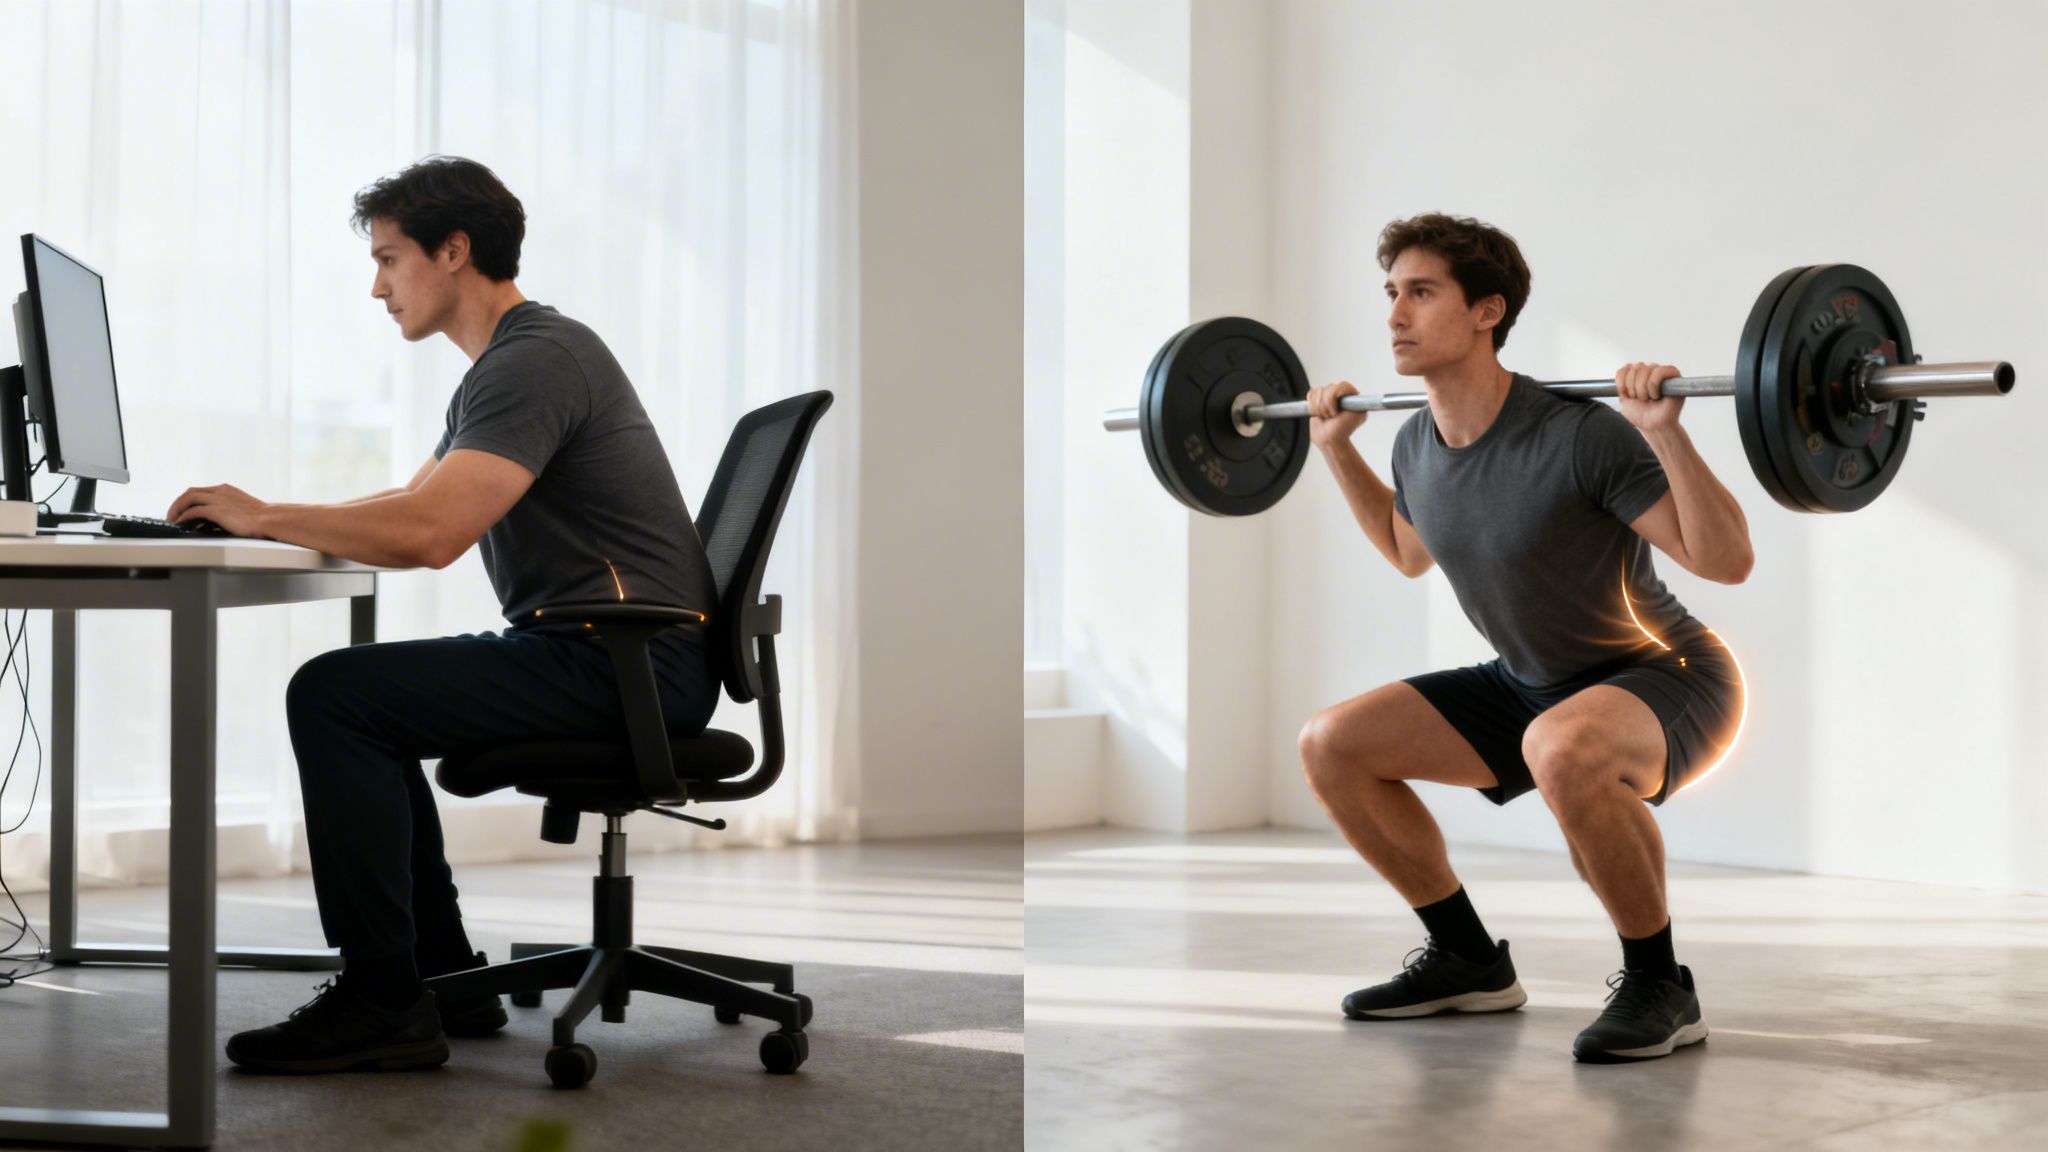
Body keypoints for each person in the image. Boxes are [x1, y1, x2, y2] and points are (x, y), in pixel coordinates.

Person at [170, 156, 721, 1073]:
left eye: (390, 258)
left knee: (340, 695)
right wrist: (262, 511)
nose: (377, 286)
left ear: (453, 251)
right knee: (367, 700)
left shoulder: (536, 360)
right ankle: (433, 973)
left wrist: (262, 516)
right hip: (604, 651)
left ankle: (385, 997)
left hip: (626, 664)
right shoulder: (510, 364)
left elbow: (431, 532)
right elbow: (415, 495)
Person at [1297, 213, 1751, 1063]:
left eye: (1421, 293)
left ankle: (1661, 984)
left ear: (1486, 312)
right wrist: (1334, 451)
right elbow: (1406, 551)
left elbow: (1725, 562)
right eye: (1392, 293)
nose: (1395, 315)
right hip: (1531, 682)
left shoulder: (1577, 434)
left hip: (1666, 673)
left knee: (1561, 746)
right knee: (1332, 744)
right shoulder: (1415, 443)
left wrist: (1665, 431)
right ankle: (1465, 959)